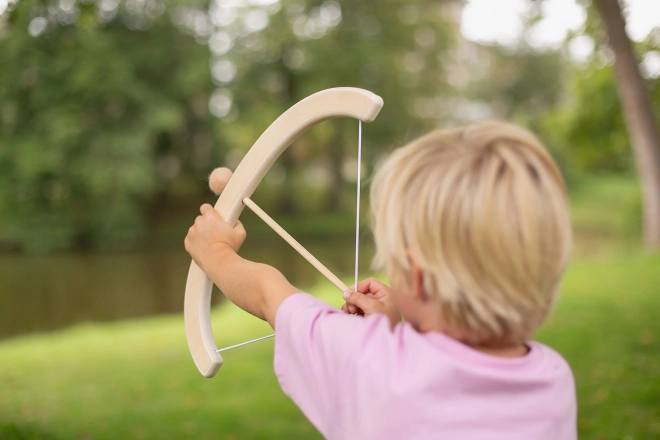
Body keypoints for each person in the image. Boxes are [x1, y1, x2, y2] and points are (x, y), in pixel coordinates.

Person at [184, 120, 576, 440]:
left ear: (417, 276)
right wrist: (393, 332)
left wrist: (214, 252)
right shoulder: (552, 379)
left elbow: (270, 296)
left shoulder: (372, 364)